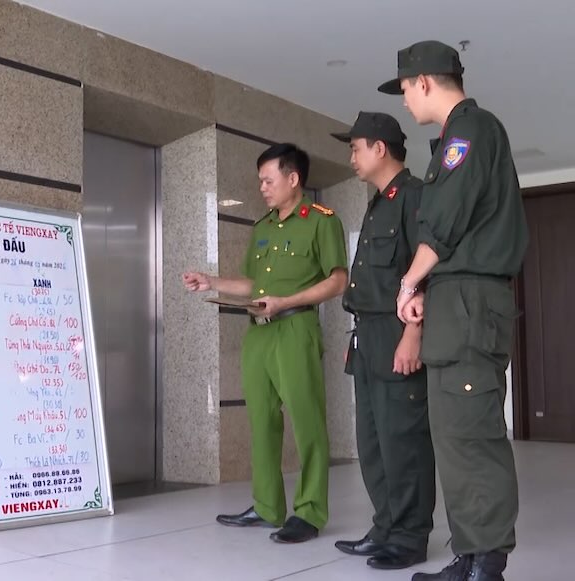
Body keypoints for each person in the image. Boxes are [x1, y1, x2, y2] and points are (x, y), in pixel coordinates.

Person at [378, 40, 529, 581]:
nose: (404, 102)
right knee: (453, 434)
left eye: (403, 90)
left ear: (423, 82)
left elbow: (444, 221)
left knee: (471, 433)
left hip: (468, 302)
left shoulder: (468, 131)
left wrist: (409, 281)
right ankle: (469, 556)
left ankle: (486, 564)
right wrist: (425, 285)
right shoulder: (456, 135)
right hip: (455, 299)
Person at [183, 143, 347, 544]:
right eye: (260, 181)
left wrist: (287, 301)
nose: (262, 188)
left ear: (294, 179)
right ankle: (267, 506)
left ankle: (309, 513)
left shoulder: (322, 222)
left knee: (308, 423)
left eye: (268, 180)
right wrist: (212, 281)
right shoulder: (262, 227)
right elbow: (252, 284)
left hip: (295, 330)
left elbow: (338, 280)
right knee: (262, 423)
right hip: (259, 333)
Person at [329, 112, 436, 571]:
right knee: (372, 440)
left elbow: (428, 271)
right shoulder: (378, 201)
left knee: (403, 440)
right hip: (367, 335)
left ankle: (410, 536)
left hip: (398, 333)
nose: (351, 156)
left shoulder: (413, 197)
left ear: (380, 148)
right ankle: (387, 525)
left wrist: (414, 334)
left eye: (355, 147)